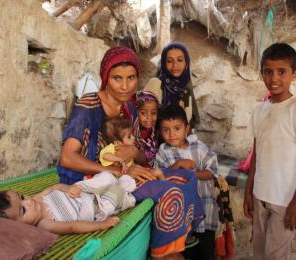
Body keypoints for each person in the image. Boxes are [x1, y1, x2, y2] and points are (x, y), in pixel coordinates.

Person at [57, 46, 204, 259]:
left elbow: (141, 156)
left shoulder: (129, 108)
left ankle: (181, 236)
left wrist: (134, 152)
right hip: (92, 181)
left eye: (131, 78)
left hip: (122, 174)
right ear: (106, 77)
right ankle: (162, 253)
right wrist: (118, 172)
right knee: (171, 192)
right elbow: (67, 157)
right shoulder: (87, 106)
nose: (125, 86)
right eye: (117, 78)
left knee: (187, 177)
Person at [243, 43, 296, 259]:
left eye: (282, 72)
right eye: (268, 71)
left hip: (285, 200)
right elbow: (256, 154)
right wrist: (249, 192)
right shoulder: (259, 111)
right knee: (259, 251)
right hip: (260, 195)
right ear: (262, 74)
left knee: (275, 255)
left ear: (295, 74)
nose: (274, 78)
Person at [0, 171, 138, 234]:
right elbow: (72, 226)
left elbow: (55, 187)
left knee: (106, 176)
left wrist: (67, 188)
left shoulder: (37, 198)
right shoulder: (44, 224)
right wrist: (101, 225)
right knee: (115, 197)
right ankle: (125, 189)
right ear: (19, 227)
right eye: (23, 211)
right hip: (95, 207)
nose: (29, 202)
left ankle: (116, 180)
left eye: (22, 197)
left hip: (81, 191)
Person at [155, 105, 219, 260]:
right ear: (160, 131)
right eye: (166, 130)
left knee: (206, 253)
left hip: (205, 212)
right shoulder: (163, 151)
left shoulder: (199, 148)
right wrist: (177, 166)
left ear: (186, 128)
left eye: (177, 128)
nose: (171, 135)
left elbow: (213, 171)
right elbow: (160, 177)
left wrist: (191, 176)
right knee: (185, 253)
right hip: (180, 219)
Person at [101, 116, 165, 180]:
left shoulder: (131, 148)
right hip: (120, 178)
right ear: (117, 143)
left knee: (158, 171)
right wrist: (119, 160)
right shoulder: (112, 148)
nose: (133, 137)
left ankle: (165, 185)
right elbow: (105, 155)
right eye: (129, 137)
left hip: (132, 175)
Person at [157, 42, 199, 127]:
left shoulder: (185, 81)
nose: (175, 65)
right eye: (169, 61)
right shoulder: (157, 84)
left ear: (186, 62)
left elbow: (191, 107)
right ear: (164, 64)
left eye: (180, 60)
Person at [133, 78, 162, 167]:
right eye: (143, 113)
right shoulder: (131, 135)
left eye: (153, 113)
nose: (149, 117)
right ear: (136, 112)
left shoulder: (155, 133)